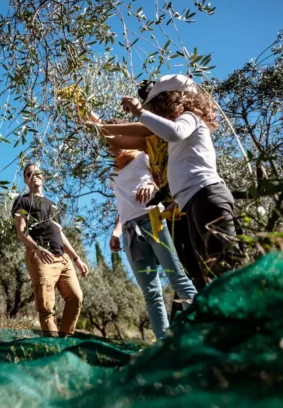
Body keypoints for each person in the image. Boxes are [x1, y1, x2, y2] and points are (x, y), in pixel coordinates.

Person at [121, 74, 242, 281]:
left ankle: (247, 311)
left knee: (226, 265)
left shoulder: (190, 117)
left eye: (159, 104)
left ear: (173, 99)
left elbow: (175, 132)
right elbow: (185, 167)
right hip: (194, 201)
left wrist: (140, 112)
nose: (158, 111)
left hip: (208, 196)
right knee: (210, 270)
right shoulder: (184, 126)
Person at [107, 141, 197, 340]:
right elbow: (122, 206)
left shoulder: (142, 154)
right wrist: (115, 231)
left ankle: (201, 331)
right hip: (130, 230)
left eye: (112, 140)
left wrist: (150, 185)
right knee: (150, 291)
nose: (110, 146)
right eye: (106, 144)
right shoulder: (112, 173)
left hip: (154, 218)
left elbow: (162, 180)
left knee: (178, 278)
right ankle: (163, 343)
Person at [11, 163, 88, 336]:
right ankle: (54, 348)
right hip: (41, 257)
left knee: (76, 298)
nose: (34, 176)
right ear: (25, 179)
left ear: (43, 176)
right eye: (29, 174)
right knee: (46, 309)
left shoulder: (52, 204)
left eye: (37, 172)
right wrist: (37, 249)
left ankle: (65, 340)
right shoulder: (22, 201)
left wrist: (76, 258)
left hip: (62, 259)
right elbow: (21, 231)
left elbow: (60, 233)